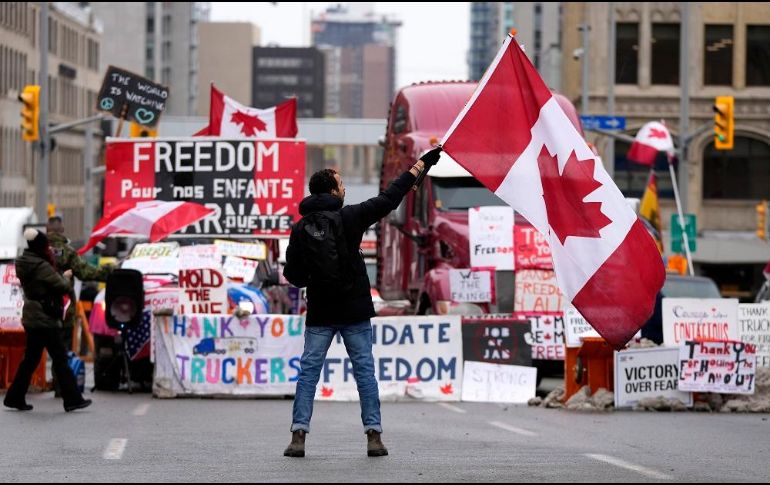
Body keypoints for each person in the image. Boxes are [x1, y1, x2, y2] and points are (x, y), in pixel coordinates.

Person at [282, 146, 443, 458]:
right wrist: (420, 165)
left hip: (320, 312)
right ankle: (374, 436)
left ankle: (298, 435)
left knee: (308, 373)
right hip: (354, 310)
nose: (345, 189)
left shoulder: (299, 228)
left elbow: (294, 275)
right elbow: (389, 199)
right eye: (341, 185)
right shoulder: (350, 217)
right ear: (332, 191)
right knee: (364, 373)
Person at [3, 228, 92, 412]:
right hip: (44, 318)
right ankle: (72, 399)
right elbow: (62, 287)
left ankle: (14, 397)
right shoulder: (41, 266)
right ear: (41, 247)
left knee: (31, 359)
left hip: (31, 315)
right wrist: (66, 277)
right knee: (60, 358)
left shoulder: (22, 262)